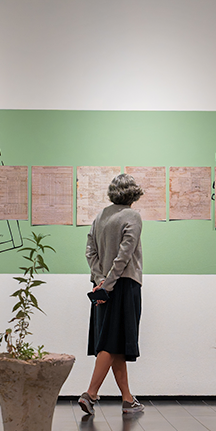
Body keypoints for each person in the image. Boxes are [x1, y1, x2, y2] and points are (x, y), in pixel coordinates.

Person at [79, 173, 145, 416]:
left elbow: (90, 251)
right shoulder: (133, 216)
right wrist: (109, 283)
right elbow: (124, 255)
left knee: (114, 341)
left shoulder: (101, 216)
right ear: (134, 193)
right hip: (124, 285)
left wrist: (99, 279)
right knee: (110, 341)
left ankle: (128, 399)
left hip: (102, 287)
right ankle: (91, 394)